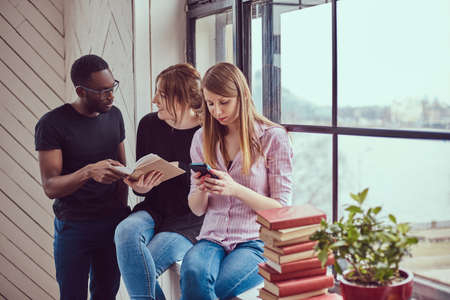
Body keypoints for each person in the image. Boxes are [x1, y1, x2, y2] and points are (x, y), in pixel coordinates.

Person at [180, 62, 293, 300]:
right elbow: (197, 209)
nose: (217, 111)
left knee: (216, 288)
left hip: (254, 241)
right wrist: (201, 188)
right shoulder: (201, 138)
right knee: (192, 272)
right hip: (211, 238)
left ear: (241, 96)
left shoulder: (273, 138)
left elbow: (281, 210)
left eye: (224, 102)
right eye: (210, 103)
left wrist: (235, 189)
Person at [35, 54, 130, 299]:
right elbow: (50, 187)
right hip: (74, 227)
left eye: (112, 87)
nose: (110, 95)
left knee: (106, 294)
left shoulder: (115, 115)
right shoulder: (52, 124)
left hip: (113, 223)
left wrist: (122, 208)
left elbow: (122, 169)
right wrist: (88, 171)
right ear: (81, 91)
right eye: (102, 91)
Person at [114, 63, 204, 300]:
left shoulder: (209, 131)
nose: (154, 99)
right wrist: (140, 187)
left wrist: (182, 170)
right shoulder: (148, 124)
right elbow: (144, 175)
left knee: (142, 265)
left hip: (191, 219)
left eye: (161, 95)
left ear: (181, 98)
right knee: (125, 231)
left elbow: (215, 184)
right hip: (154, 209)